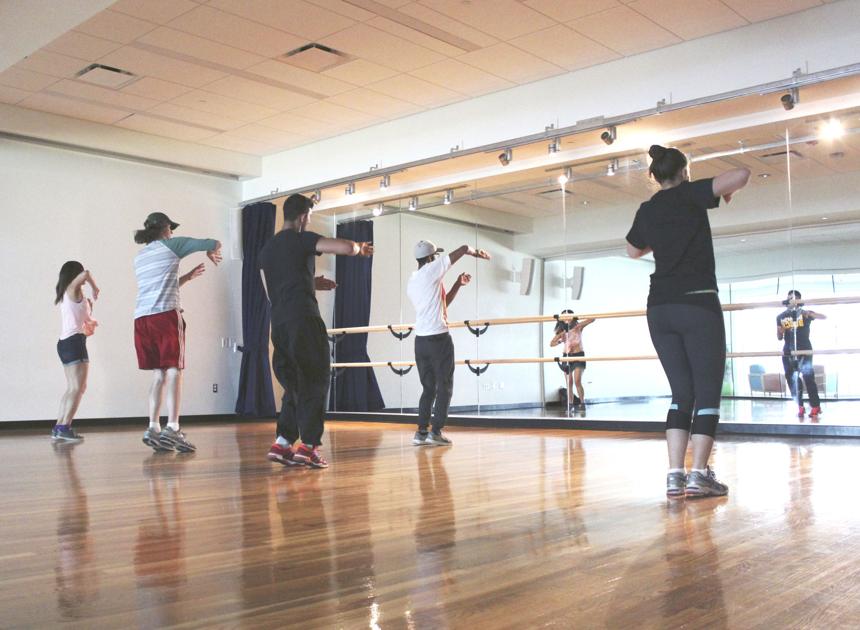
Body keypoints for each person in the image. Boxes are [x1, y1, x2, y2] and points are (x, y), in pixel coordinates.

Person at [626, 144, 750, 498]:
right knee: (708, 393)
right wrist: (722, 191)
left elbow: (632, 251)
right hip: (697, 304)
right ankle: (699, 474)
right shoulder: (690, 194)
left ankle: (675, 475)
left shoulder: (648, 209)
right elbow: (741, 173)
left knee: (681, 394)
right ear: (684, 171)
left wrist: (662, 239)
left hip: (660, 308)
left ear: (654, 177)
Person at [261, 193, 373, 469]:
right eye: (309, 217)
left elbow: (272, 289)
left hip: (279, 324)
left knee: (295, 384)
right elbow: (344, 247)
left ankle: (283, 443)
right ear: (302, 218)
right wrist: (358, 246)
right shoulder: (302, 238)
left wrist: (311, 283)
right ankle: (308, 446)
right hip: (304, 320)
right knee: (316, 379)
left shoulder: (267, 249)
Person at [133, 212, 220, 453]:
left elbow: (160, 285)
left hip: (142, 319)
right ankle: (173, 427)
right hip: (165, 317)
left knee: (158, 373)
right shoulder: (172, 244)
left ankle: (153, 427)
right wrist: (212, 251)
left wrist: (187, 278)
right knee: (174, 370)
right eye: (171, 228)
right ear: (166, 228)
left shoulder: (140, 257)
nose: (172, 232)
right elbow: (212, 242)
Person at [407, 240, 490, 446]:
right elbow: (462, 249)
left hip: (421, 341)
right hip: (438, 339)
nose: (437, 259)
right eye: (435, 256)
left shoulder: (414, 280)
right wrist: (476, 253)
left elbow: (442, 305)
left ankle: (421, 432)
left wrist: (457, 284)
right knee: (445, 386)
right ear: (429, 258)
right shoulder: (430, 270)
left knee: (428, 388)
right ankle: (436, 432)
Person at [53, 261, 100, 442]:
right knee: (78, 387)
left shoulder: (73, 295)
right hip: (73, 343)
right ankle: (64, 427)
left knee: (74, 387)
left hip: (68, 342)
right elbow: (87, 273)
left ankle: (59, 426)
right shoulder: (72, 289)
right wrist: (95, 288)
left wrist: (90, 325)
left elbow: (84, 326)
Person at [776, 289, 825, 418]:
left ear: (798, 301)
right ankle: (800, 406)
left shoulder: (804, 313)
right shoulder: (780, 316)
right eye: (789, 298)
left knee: (808, 377)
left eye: (793, 299)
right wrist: (781, 331)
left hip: (804, 350)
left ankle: (815, 406)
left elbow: (823, 317)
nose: (790, 301)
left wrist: (809, 313)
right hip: (788, 352)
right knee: (792, 379)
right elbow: (779, 337)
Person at [549, 309, 595, 412]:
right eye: (564, 317)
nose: (567, 318)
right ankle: (570, 405)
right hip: (566, 356)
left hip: (578, 355)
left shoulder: (578, 327)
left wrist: (578, 322)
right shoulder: (562, 331)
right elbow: (551, 344)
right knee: (569, 382)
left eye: (568, 316)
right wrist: (560, 339)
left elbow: (592, 318)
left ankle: (582, 403)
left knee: (577, 381)